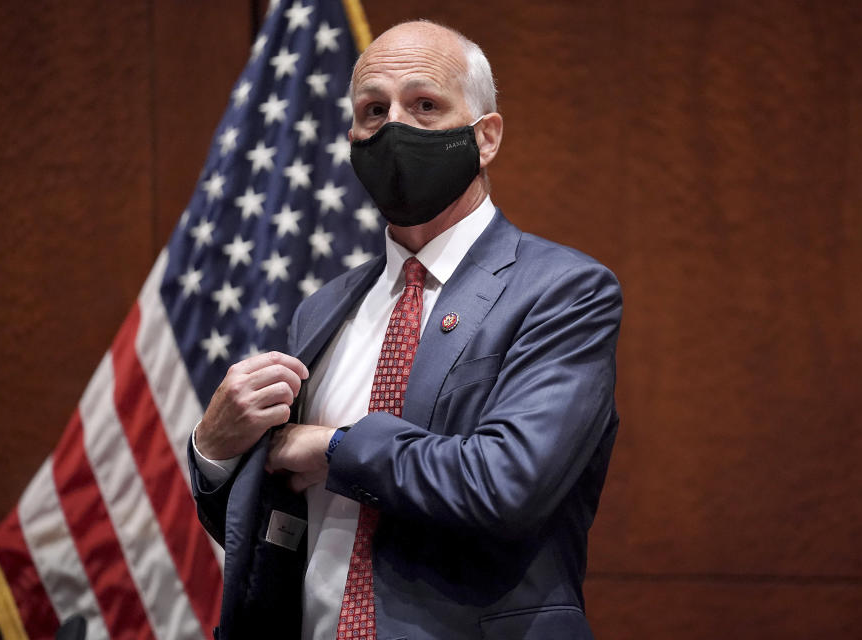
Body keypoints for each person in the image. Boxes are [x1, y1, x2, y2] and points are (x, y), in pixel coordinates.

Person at [189, 20, 622, 640]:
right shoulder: (324, 309)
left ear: (486, 136)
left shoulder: (563, 290)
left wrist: (330, 447)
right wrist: (215, 451)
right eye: (373, 111)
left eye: (424, 105)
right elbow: (276, 521)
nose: (394, 127)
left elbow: (507, 483)